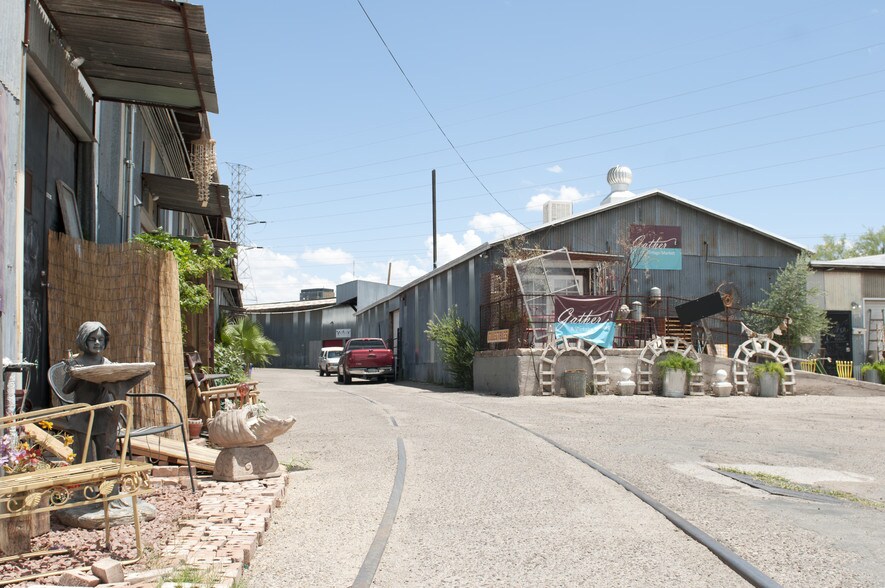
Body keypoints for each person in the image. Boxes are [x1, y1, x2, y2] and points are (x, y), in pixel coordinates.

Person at [63, 321, 150, 461]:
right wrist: (76, 375)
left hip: (103, 417)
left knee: (107, 456)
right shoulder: (75, 363)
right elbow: (66, 389)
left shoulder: (106, 363)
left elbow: (114, 389)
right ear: (83, 339)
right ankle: (86, 483)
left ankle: (110, 482)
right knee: (84, 458)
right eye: (92, 339)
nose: (97, 342)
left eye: (101, 339)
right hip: (82, 417)